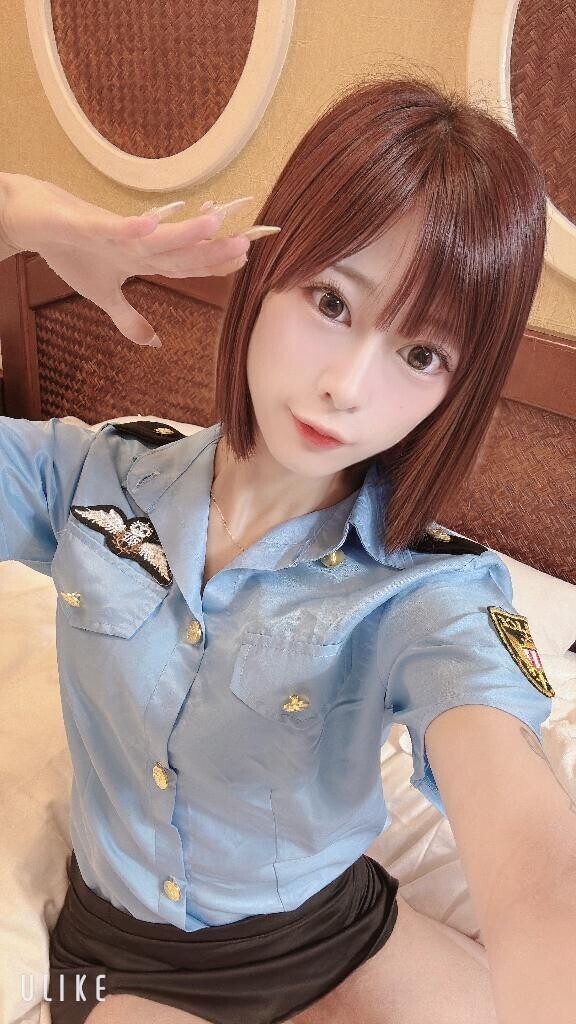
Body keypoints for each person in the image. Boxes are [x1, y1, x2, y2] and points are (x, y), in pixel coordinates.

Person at [0, 72, 563, 1024]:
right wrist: (13, 212)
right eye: (332, 302)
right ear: (266, 273)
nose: (348, 386)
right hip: (126, 957)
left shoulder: (430, 592)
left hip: (329, 925)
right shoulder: (88, 476)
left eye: (420, 354)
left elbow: (532, 852)